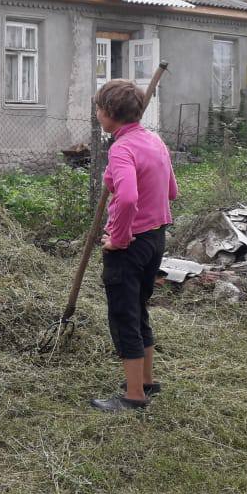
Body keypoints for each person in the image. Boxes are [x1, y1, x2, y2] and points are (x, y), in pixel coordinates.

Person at [90, 80, 178, 413]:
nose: (97, 113)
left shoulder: (121, 148)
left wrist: (119, 238)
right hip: (156, 239)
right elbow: (171, 189)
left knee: (123, 316)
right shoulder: (154, 140)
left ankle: (133, 397)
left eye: (99, 108)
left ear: (110, 113)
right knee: (139, 309)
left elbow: (127, 198)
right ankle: (146, 381)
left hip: (130, 246)